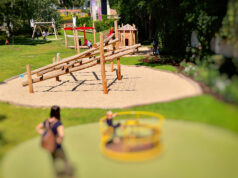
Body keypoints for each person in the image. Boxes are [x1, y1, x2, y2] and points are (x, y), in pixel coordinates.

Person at [36, 105, 73, 178]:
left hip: (50, 146)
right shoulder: (58, 123)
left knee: (54, 161)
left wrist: (45, 134)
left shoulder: (46, 121)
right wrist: (58, 140)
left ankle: (57, 175)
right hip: (57, 146)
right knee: (65, 160)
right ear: (58, 113)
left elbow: (38, 128)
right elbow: (62, 135)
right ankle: (70, 175)